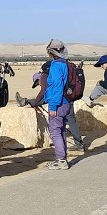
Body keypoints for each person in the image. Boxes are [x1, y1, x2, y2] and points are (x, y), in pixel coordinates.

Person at [18, 65, 88, 152]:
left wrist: (34, 103)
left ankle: (62, 155)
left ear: (38, 79)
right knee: (71, 120)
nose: (39, 85)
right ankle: (79, 143)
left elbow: (44, 95)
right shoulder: (55, 75)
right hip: (69, 98)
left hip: (62, 101)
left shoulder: (45, 78)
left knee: (57, 129)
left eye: (37, 83)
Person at [42, 39, 72, 170]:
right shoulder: (66, 64)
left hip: (58, 103)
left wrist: (53, 106)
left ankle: (61, 160)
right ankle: (62, 158)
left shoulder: (55, 66)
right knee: (61, 131)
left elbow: (57, 86)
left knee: (55, 131)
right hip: (66, 102)